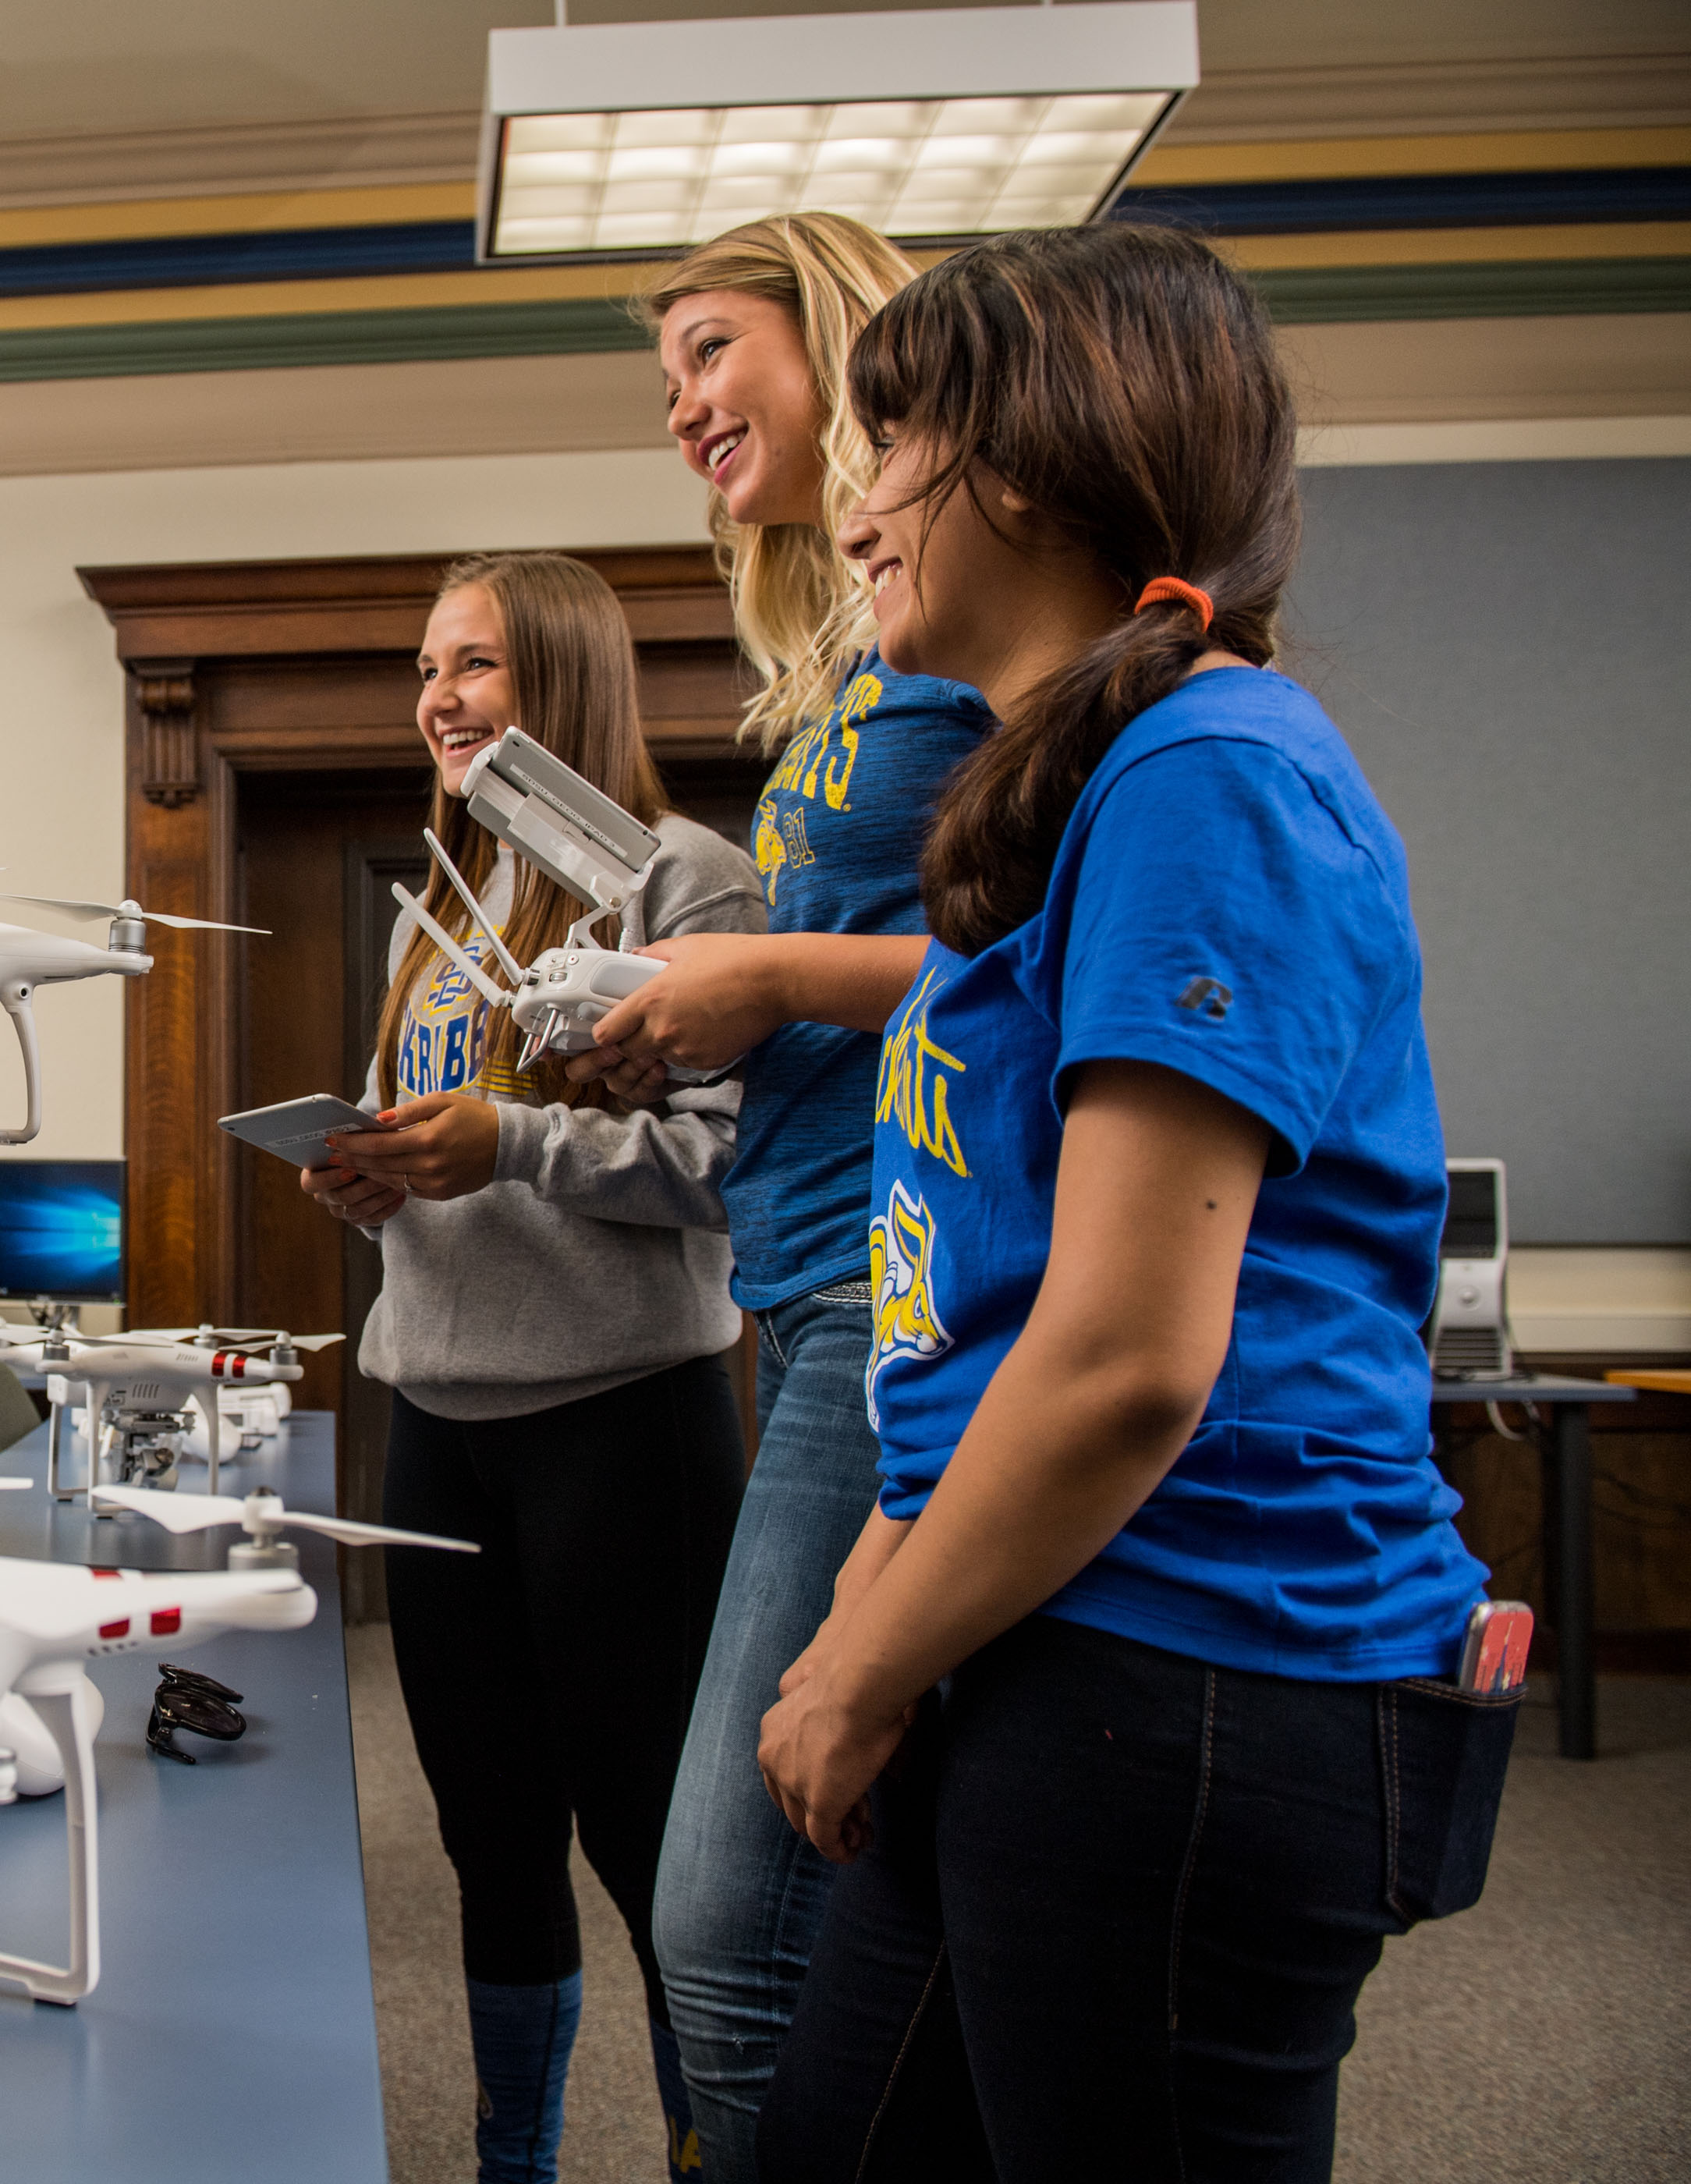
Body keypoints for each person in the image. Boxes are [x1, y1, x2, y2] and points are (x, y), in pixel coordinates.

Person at [752, 222, 1505, 2181]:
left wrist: (861, 1658)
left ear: (1025, 458)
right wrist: (894, 1567)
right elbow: (1002, 1289)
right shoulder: (1095, 782)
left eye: (893, 448)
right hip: (1037, 1632)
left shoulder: (1210, 770)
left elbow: (1122, 1360)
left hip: (1188, 1670)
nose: (858, 520)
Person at [572, 212, 997, 2183]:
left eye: (713, 351)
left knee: (730, 1924)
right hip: (810, 1263)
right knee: (846, 1888)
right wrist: (697, 1026)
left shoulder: (979, 639)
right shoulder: (840, 660)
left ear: (841, 336)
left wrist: (757, 979)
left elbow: (1046, 959)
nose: (684, 405)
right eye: (667, 378)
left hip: (889, 1287)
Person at [299, 552, 763, 2184]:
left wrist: (510, 1141)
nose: (440, 696)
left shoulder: (685, 878)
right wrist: (374, 1179)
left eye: (478, 663)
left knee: (655, 1853)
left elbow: (723, 1164)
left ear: (560, 678)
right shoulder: (443, 906)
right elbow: (453, 1161)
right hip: (438, 1423)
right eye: (429, 665)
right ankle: (517, 2161)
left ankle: (710, 2145)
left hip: (622, 1429)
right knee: (489, 1843)